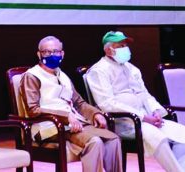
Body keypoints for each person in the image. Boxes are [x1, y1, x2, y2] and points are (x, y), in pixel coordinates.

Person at [87, 31, 185, 172]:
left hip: (147, 118)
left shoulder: (132, 69)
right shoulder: (98, 71)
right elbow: (107, 103)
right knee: (158, 137)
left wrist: (156, 111)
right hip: (123, 122)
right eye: (120, 46)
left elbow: (144, 94)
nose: (125, 48)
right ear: (108, 50)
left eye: (125, 45)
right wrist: (143, 117)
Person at [19, 35, 122, 172]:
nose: (52, 55)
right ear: (39, 54)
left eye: (56, 51)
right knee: (94, 141)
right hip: (48, 127)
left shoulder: (62, 75)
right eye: (47, 52)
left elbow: (79, 103)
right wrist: (65, 116)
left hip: (72, 125)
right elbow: (33, 110)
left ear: (62, 54)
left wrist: (96, 114)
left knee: (113, 139)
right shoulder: (32, 76)